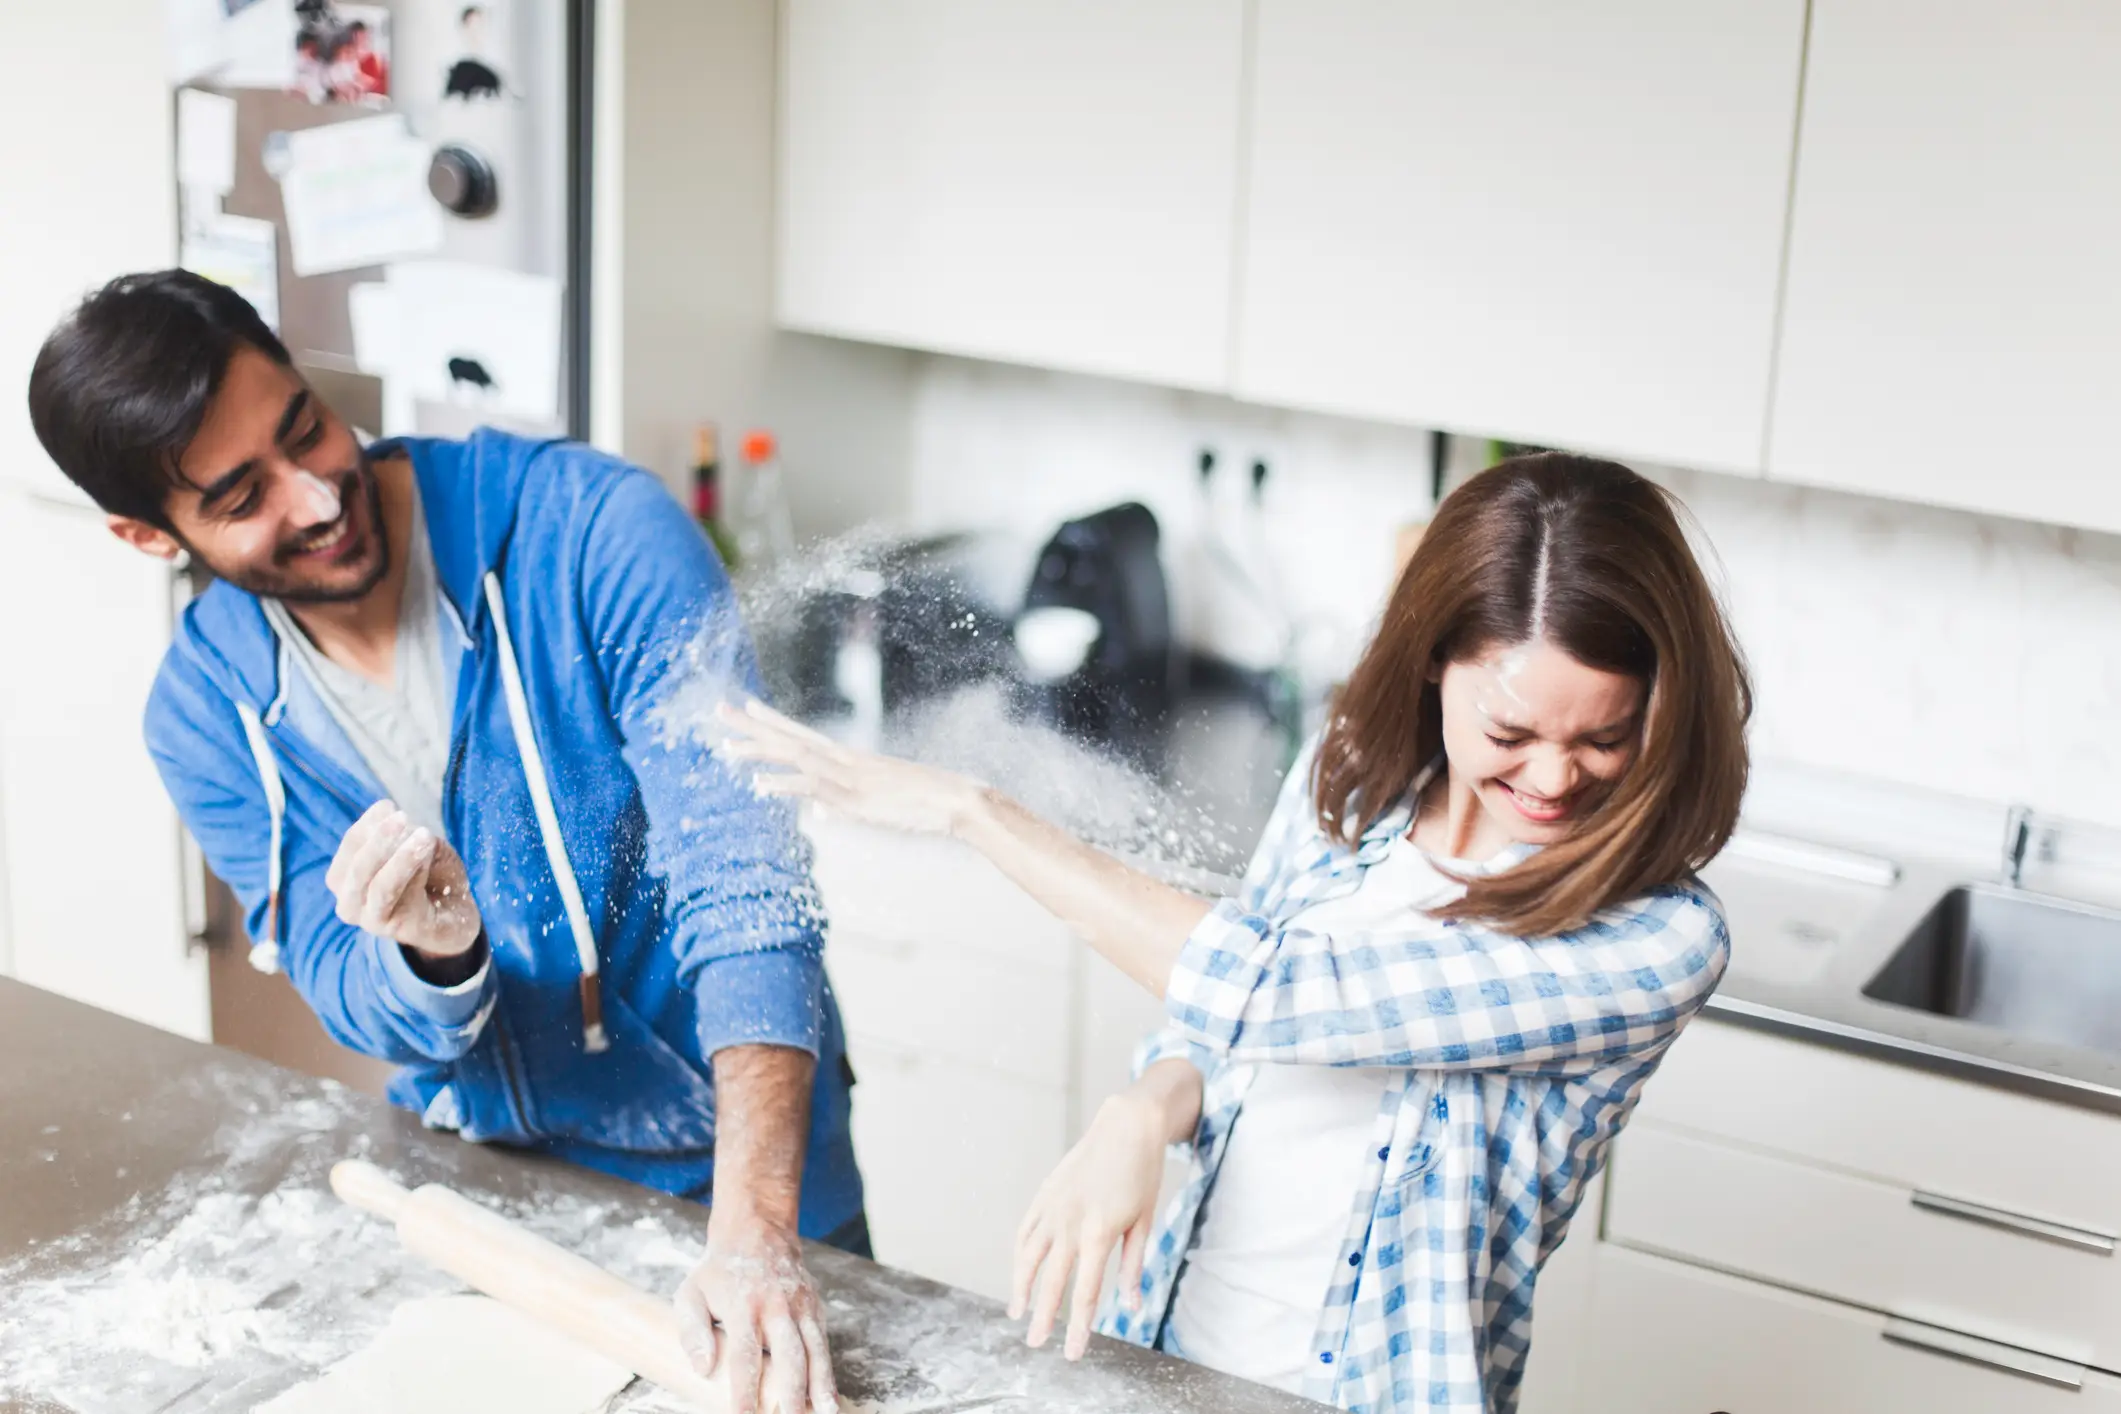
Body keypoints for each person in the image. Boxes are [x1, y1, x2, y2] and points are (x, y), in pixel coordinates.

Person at [719, 453, 1752, 1413]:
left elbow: (1276, 994)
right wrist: (1143, 1108)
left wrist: (977, 812)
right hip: (1173, 1353)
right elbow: (1215, 1029)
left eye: (1605, 736)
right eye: (1510, 732)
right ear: (1435, 663)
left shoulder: (1653, 941)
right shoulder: (1351, 780)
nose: (1555, 776)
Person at [29, 271, 859, 1414]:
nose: (317, 495)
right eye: (243, 495)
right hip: (488, 1204)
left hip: (741, 1173)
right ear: (145, 534)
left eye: (304, 427)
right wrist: (432, 952)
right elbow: (339, 975)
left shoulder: (594, 532)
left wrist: (755, 1228)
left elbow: (744, 874)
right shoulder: (203, 715)